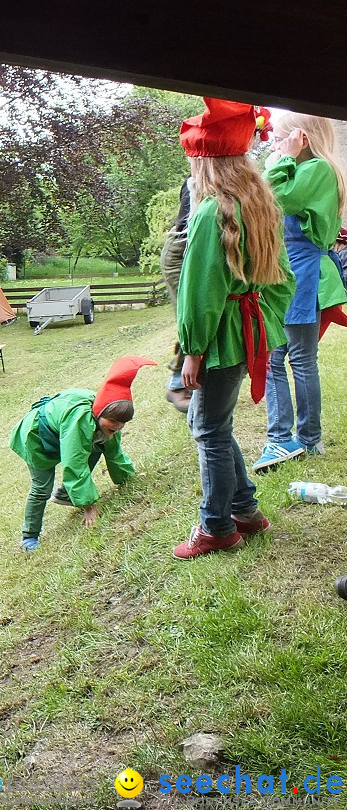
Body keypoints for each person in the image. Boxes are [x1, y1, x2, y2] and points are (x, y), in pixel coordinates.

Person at [173, 98, 294, 560]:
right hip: (249, 333)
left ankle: (217, 527)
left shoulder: (211, 214)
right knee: (214, 424)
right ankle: (245, 509)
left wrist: (193, 349)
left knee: (207, 429)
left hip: (224, 339)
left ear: (206, 164)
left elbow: (200, 292)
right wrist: (264, 321)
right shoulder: (259, 202)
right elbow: (283, 278)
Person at [252, 112, 346, 470]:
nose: (274, 144)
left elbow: (272, 200)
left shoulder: (317, 170)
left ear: (301, 138)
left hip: (302, 272)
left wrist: (285, 159)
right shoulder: (304, 169)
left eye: (280, 138)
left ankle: (290, 439)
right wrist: (285, 160)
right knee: (288, 358)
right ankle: (303, 438)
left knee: (287, 358)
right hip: (287, 273)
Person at [9, 356, 155, 552]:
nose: (117, 428)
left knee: (100, 444)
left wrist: (127, 478)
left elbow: (114, 452)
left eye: (122, 425)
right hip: (36, 439)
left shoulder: (107, 419)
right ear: (100, 413)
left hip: (64, 433)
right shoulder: (80, 421)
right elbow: (74, 462)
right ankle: (29, 536)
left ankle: (67, 495)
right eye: (113, 423)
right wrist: (88, 506)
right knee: (41, 488)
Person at [161, 178, 195, 413]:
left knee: (196, 318)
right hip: (180, 254)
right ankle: (177, 385)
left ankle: (186, 384)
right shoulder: (196, 180)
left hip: (189, 249)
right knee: (191, 318)